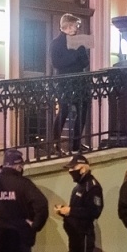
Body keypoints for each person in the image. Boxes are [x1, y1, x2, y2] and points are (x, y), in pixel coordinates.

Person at [50, 13, 90, 151]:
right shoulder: (56, 43)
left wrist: (79, 53)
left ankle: (76, 143)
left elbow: (85, 62)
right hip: (64, 82)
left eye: (77, 25)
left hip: (79, 81)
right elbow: (57, 63)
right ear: (65, 26)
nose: (76, 28)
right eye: (74, 25)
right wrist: (74, 55)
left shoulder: (79, 42)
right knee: (64, 109)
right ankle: (55, 143)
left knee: (83, 108)